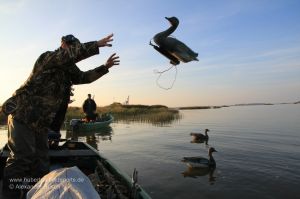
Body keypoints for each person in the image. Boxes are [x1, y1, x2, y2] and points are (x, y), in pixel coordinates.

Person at [1, 33, 120, 195]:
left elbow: (84, 77)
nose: (74, 50)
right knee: (21, 160)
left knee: (41, 163)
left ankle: (37, 193)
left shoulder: (68, 69)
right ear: (63, 44)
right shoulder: (48, 58)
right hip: (23, 114)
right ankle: (10, 196)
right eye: (71, 46)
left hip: (41, 122)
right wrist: (96, 45)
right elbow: (69, 55)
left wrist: (105, 67)